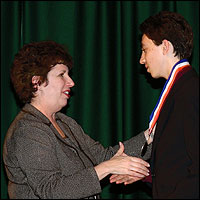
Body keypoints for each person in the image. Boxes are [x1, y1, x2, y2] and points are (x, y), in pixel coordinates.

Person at [3, 40, 152, 199]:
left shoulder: (65, 123)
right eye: (61, 75)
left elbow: (105, 157)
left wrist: (151, 136)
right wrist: (106, 168)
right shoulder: (27, 131)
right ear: (36, 82)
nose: (71, 82)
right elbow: (51, 190)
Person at [110, 11, 199, 199]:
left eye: (145, 49)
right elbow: (180, 165)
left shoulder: (190, 91)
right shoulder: (179, 89)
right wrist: (146, 176)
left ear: (165, 46)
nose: (142, 60)